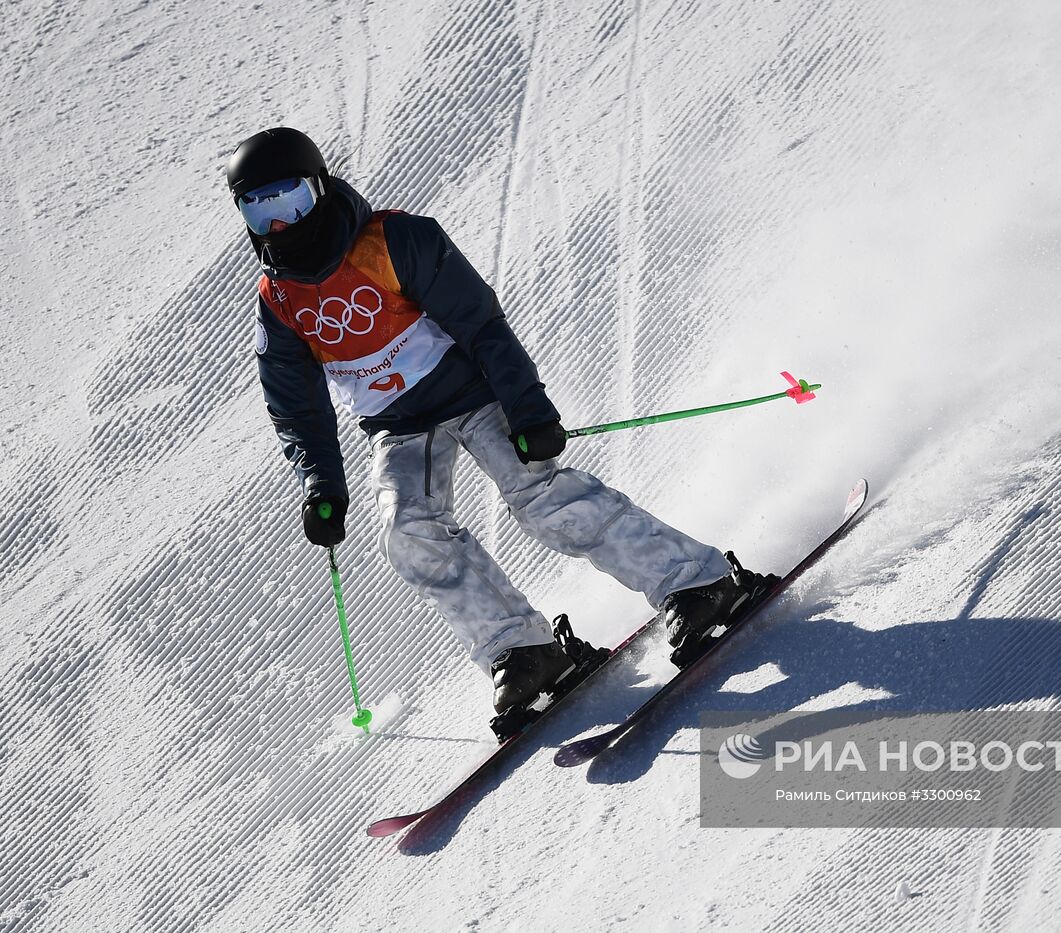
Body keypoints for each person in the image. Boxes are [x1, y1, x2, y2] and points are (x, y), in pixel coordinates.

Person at [228, 127, 759, 718]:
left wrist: (528, 408)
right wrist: (321, 485)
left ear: (319, 189)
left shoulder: (395, 240)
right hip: (398, 429)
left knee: (539, 493)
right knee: (407, 531)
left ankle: (697, 581)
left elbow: (481, 324)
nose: (280, 225)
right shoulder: (278, 299)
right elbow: (295, 406)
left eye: (290, 201)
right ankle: (523, 650)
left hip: (475, 395)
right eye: (259, 208)